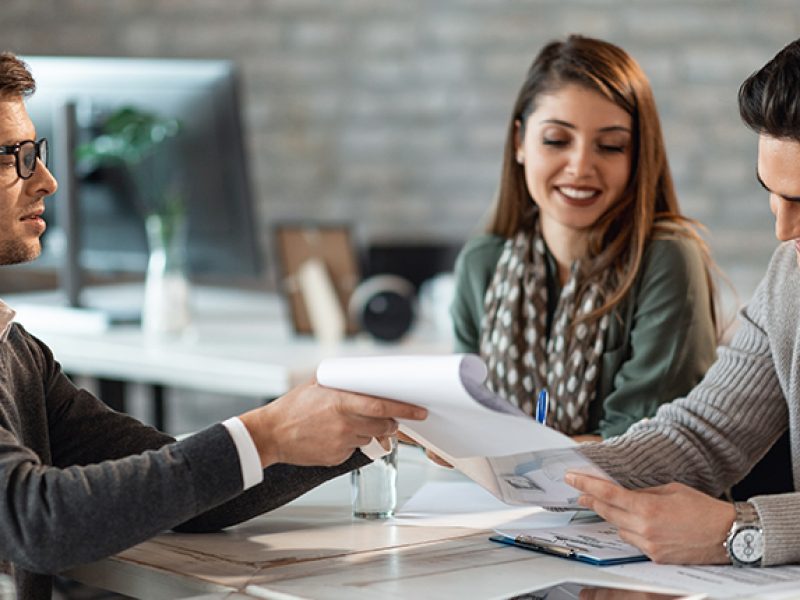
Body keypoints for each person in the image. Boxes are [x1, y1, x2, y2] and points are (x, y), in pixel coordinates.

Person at [0, 52, 428, 600]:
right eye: (15, 157)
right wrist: (266, 433)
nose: (49, 182)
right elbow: (37, 522)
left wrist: (355, 424)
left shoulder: (16, 351)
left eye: (38, 154)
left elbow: (196, 491)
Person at [567, 37, 800, 568]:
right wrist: (530, 466)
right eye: (773, 192)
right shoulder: (792, 275)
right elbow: (703, 435)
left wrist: (744, 532)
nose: (783, 230)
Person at [450, 35, 719, 442]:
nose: (580, 166)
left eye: (610, 146)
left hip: (636, 502)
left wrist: (502, 451)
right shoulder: (481, 263)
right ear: (520, 142)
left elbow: (641, 443)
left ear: (637, 156)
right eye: (557, 140)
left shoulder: (667, 259)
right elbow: (465, 415)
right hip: (502, 501)